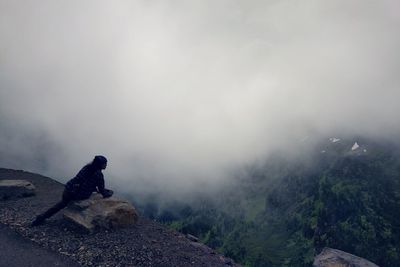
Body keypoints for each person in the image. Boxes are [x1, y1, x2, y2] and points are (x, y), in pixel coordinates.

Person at [31, 155, 113, 226]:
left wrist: (94, 189)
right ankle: (42, 217)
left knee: (61, 204)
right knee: (64, 203)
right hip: (78, 195)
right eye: (105, 163)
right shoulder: (98, 175)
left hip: (68, 190)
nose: (106, 165)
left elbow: (82, 180)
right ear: (100, 165)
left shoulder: (86, 167)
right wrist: (109, 193)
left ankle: (41, 217)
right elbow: (103, 191)